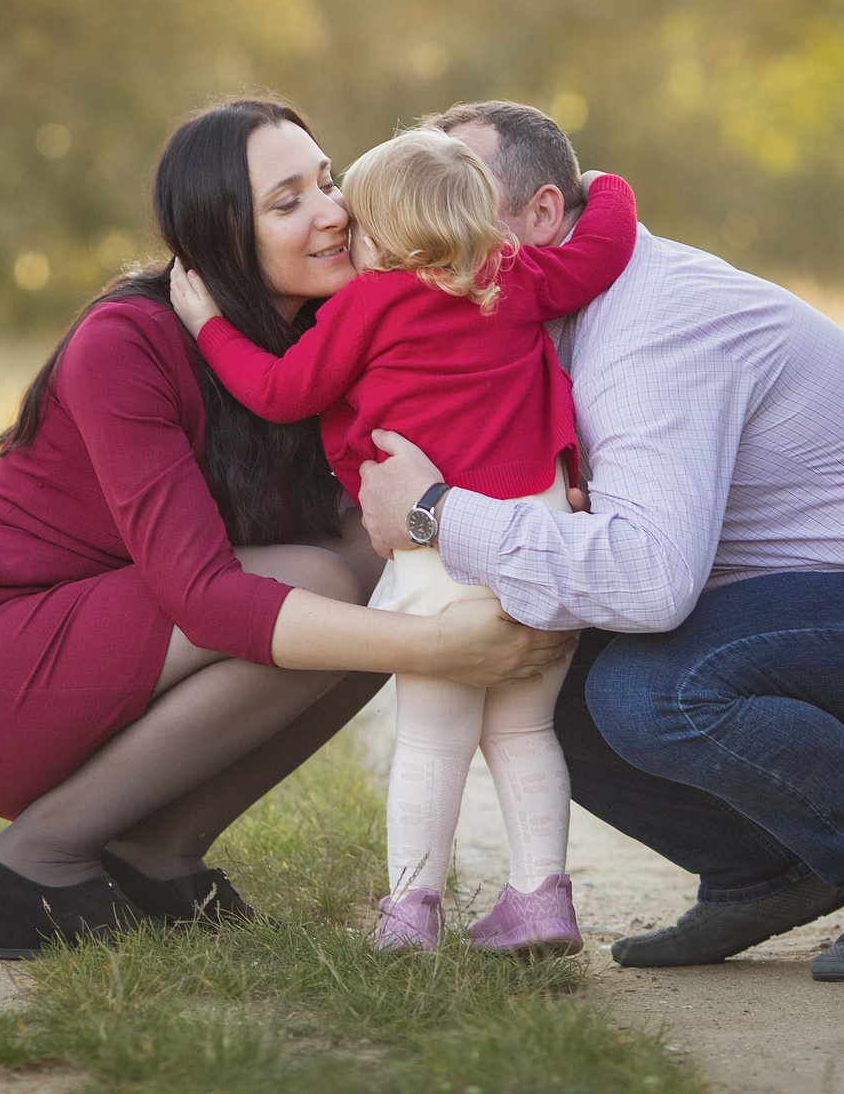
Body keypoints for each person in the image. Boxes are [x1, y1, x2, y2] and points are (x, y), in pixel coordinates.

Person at [0, 98, 573, 960]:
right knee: (339, 598)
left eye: (327, 180)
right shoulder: (126, 342)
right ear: (222, 239)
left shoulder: (332, 336)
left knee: (386, 562)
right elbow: (208, 601)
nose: (333, 210)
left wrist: (540, 510)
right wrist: (436, 648)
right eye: (287, 203)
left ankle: (156, 849)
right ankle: (35, 862)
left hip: (107, 640)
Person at [357, 100, 844, 983]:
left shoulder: (650, 329)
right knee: (534, 658)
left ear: (544, 215)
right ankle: (763, 867)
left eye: (456, 197)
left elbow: (652, 584)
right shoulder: (530, 324)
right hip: (826, 596)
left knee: (646, 688)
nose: (421, 239)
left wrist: (438, 510)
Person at [167, 128, 638, 956]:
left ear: (378, 239)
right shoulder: (512, 275)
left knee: (431, 741)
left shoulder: (368, 302)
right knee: (526, 734)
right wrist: (605, 184)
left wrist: (206, 323)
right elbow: (601, 251)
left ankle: (412, 912)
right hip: (539, 543)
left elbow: (281, 391)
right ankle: (542, 899)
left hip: (440, 557)